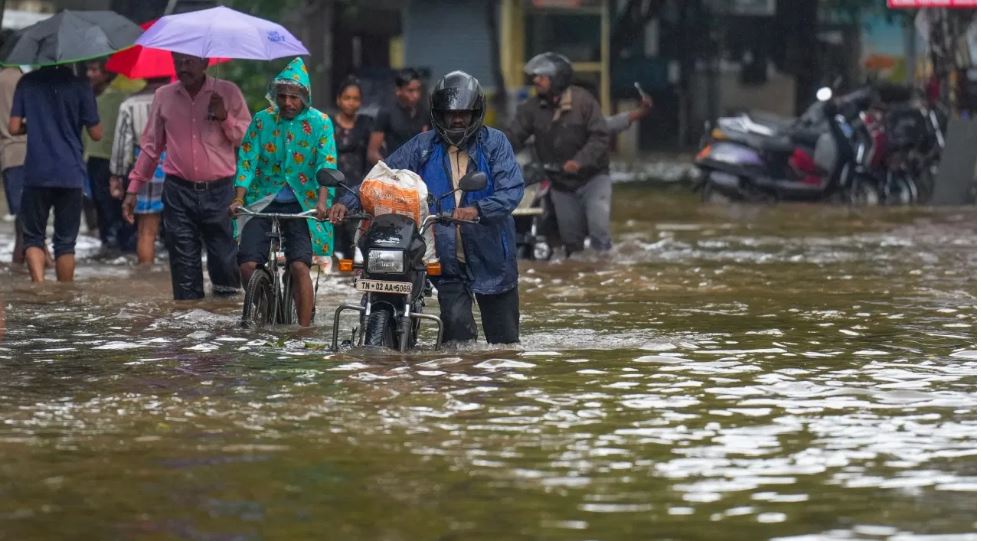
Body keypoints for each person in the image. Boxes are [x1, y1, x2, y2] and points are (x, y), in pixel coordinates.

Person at [331, 71, 523, 345]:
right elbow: (382, 178)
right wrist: (346, 203)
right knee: (457, 346)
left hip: (492, 255)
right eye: (450, 114)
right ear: (437, 114)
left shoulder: (495, 143)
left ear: (476, 112)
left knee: (504, 346)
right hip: (446, 258)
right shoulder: (423, 146)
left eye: (464, 114)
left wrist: (477, 209)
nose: (457, 119)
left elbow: (512, 190)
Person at [122, 52, 251, 300]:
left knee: (225, 268)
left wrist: (225, 117)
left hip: (221, 191)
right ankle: (184, 331)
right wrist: (133, 189)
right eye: (178, 61)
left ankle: (225, 331)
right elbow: (151, 146)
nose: (183, 67)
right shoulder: (164, 96)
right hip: (178, 192)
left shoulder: (228, 92)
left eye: (189, 61)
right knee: (184, 270)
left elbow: (247, 140)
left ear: (205, 63)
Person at [228, 57, 336, 327]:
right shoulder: (262, 120)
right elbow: (247, 160)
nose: (288, 103)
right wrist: (239, 198)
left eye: (294, 97)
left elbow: (326, 163)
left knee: (299, 265)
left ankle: (303, 331)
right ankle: (264, 307)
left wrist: (322, 203)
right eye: (283, 96)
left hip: (303, 203)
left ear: (305, 98)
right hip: (262, 200)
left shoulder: (321, 122)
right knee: (247, 265)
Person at [506, 52, 612, 255]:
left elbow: (600, 137)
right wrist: (489, 151)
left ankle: (604, 272)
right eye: (535, 76)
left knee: (599, 232)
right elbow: (513, 136)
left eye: (541, 76)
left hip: (593, 178)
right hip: (560, 183)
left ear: (558, 79)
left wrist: (579, 161)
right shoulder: (531, 108)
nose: (536, 80)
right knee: (571, 242)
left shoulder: (584, 102)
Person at [9, 64, 102, 282]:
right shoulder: (81, 86)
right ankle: (65, 294)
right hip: (70, 174)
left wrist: (35, 126)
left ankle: (40, 286)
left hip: (36, 173)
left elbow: (13, 127)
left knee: (33, 238)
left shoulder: (28, 82)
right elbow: (96, 133)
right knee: (66, 242)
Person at [109, 76, 170, 265]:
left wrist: (116, 174)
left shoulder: (130, 104)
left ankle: (146, 276)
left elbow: (122, 144)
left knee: (146, 231)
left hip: (145, 164)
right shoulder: (178, 99)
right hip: (177, 164)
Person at [84, 60, 133, 258]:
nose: (89, 74)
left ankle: (115, 247)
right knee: (104, 207)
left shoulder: (118, 98)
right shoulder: (90, 97)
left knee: (111, 206)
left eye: (94, 70)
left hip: (112, 160)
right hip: (97, 158)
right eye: (89, 69)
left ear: (106, 74)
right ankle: (116, 247)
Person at [330, 76, 380, 258]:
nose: (351, 103)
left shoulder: (366, 123)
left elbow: (372, 154)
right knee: (333, 247)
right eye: (347, 98)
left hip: (357, 187)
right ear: (338, 99)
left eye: (356, 98)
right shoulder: (327, 123)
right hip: (331, 186)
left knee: (356, 244)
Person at [369, 68, 430, 157]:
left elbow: (425, 144)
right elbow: (372, 152)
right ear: (398, 91)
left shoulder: (424, 112)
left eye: (418, 90)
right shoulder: (386, 112)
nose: (415, 95)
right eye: (410, 91)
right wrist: (388, 169)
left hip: (417, 168)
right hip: (394, 167)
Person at [0, 66, 27, 263]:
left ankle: (20, 272)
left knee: (22, 220)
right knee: (30, 221)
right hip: (33, 151)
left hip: (10, 153)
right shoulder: (27, 80)